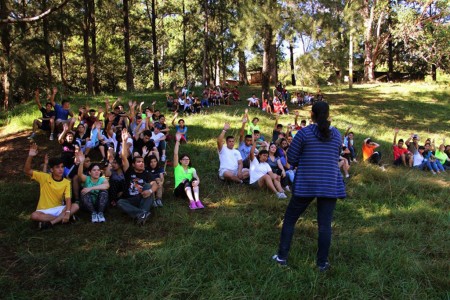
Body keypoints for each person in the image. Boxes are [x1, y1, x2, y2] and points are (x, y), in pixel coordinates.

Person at [273, 101, 346, 271]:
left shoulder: (304, 134)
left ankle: (282, 257)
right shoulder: (336, 135)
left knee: (290, 219)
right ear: (328, 115)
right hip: (329, 184)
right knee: (325, 225)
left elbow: (291, 158)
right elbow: (334, 156)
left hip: (307, 182)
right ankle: (322, 263)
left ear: (311, 115)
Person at [24, 143, 79, 229]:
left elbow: (68, 199)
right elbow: (27, 171)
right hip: (44, 210)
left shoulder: (66, 182)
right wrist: (30, 156)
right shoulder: (44, 177)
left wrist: (68, 212)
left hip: (59, 209)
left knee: (75, 206)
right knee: (34, 215)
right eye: (57, 167)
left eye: (62, 167)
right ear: (52, 170)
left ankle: (51, 223)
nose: (61, 169)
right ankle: (65, 219)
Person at [116, 128, 158, 225]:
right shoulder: (129, 171)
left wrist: (150, 191)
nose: (141, 163)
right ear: (133, 164)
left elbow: (155, 185)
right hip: (131, 199)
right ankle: (142, 213)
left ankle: (139, 213)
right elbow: (123, 157)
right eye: (138, 162)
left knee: (148, 185)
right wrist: (124, 141)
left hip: (143, 197)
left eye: (142, 162)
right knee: (120, 202)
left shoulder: (147, 173)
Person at [249, 132, 287, 199]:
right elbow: (251, 152)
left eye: (266, 156)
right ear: (259, 155)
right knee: (266, 176)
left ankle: (281, 192)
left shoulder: (266, 164)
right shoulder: (254, 160)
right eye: (264, 155)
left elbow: (271, 175)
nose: (265, 157)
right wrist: (255, 142)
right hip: (255, 183)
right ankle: (276, 193)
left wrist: (277, 177)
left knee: (275, 176)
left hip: (263, 183)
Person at [173, 133, 204, 210]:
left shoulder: (192, 169)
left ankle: (197, 201)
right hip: (179, 191)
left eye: (188, 159)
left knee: (194, 180)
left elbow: (196, 177)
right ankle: (191, 201)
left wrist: (197, 182)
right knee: (186, 180)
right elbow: (175, 154)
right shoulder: (177, 167)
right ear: (180, 161)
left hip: (188, 190)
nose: (186, 161)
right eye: (184, 159)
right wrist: (177, 141)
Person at [77, 152, 110, 223]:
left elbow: (106, 186)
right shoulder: (87, 178)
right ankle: (93, 213)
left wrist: (91, 188)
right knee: (84, 192)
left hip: (101, 204)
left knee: (104, 191)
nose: (97, 172)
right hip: (88, 205)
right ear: (89, 172)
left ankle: (100, 213)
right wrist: (81, 163)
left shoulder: (102, 179)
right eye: (94, 170)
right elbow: (79, 174)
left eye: (98, 170)